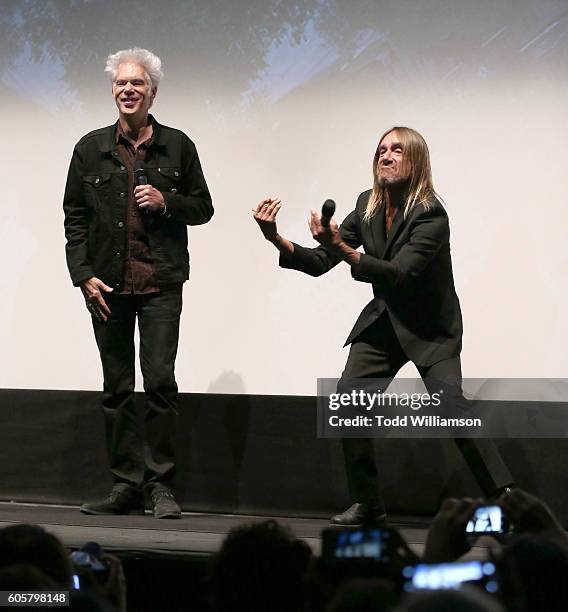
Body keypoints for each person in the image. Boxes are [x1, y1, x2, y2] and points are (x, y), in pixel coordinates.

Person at [253, 126, 513, 525]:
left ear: (416, 161)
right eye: (381, 151)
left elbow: (399, 273)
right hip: (386, 322)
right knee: (349, 401)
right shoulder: (368, 205)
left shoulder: (431, 214)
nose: (385, 157)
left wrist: (339, 245)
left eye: (396, 150)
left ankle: (507, 500)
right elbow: (322, 263)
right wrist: (276, 239)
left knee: (451, 409)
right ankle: (368, 501)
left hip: (430, 329)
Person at [63, 47, 213, 518]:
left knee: (161, 383)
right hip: (106, 286)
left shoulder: (178, 146)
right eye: (121, 84)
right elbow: (74, 219)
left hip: (160, 285)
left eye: (137, 84)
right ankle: (125, 485)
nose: (128, 90)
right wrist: (83, 276)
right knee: (116, 388)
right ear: (113, 91)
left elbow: (204, 208)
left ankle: (160, 487)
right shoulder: (90, 148)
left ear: (152, 92)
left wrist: (167, 200)